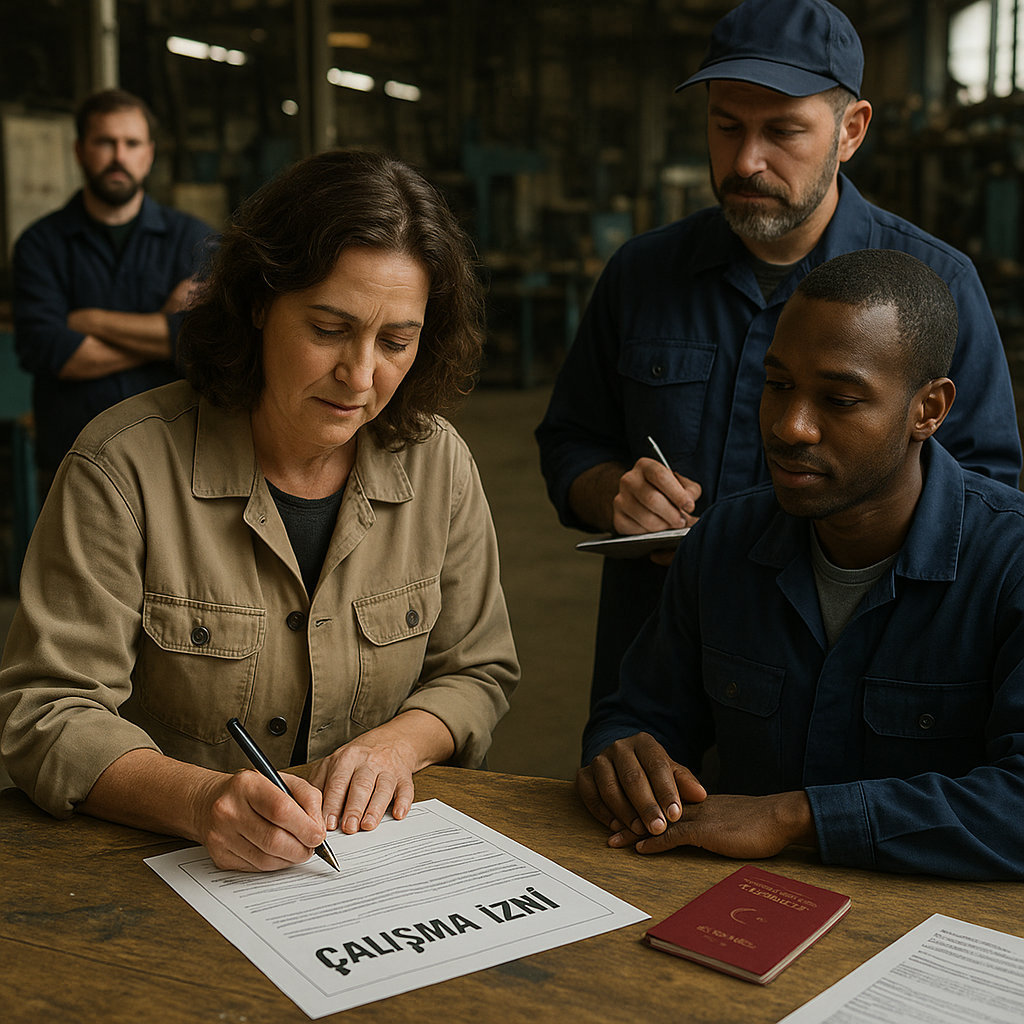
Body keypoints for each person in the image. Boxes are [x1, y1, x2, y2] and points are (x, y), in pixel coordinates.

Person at [0, 149, 520, 873]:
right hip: (159, 877)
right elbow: (46, 710)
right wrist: (198, 799)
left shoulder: (439, 466)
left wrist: (396, 743)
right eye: (329, 330)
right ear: (257, 303)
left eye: (396, 341)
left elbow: (478, 670)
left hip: (369, 875)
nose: (361, 375)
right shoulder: (121, 468)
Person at [535, 0, 1022, 711]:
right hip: (657, 680)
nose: (745, 161)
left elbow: (986, 497)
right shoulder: (643, 275)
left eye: (783, 131)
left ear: (850, 131)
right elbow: (568, 442)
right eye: (726, 126)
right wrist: (613, 492)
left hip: (846, 678)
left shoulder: (933, 286)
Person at [576, 248, 1024, 881]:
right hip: (740, 913)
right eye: (778, 384)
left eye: (839, 400)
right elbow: (637, 713)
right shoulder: (722, 542)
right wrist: (623, 755)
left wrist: (795, 818)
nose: (791, 427)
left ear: (928, 410)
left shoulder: (1009, 565)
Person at [13, 88, 213, 477]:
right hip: (73, 459)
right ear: (79, 150)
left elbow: (209, 340)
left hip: (176, 457)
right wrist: (166, 335)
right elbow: (58, 353)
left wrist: (90, 322)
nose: (119, 156)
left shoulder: (196, 242)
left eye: (131, 143)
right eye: (105, 142)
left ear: (149, 154)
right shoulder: (39, 245)